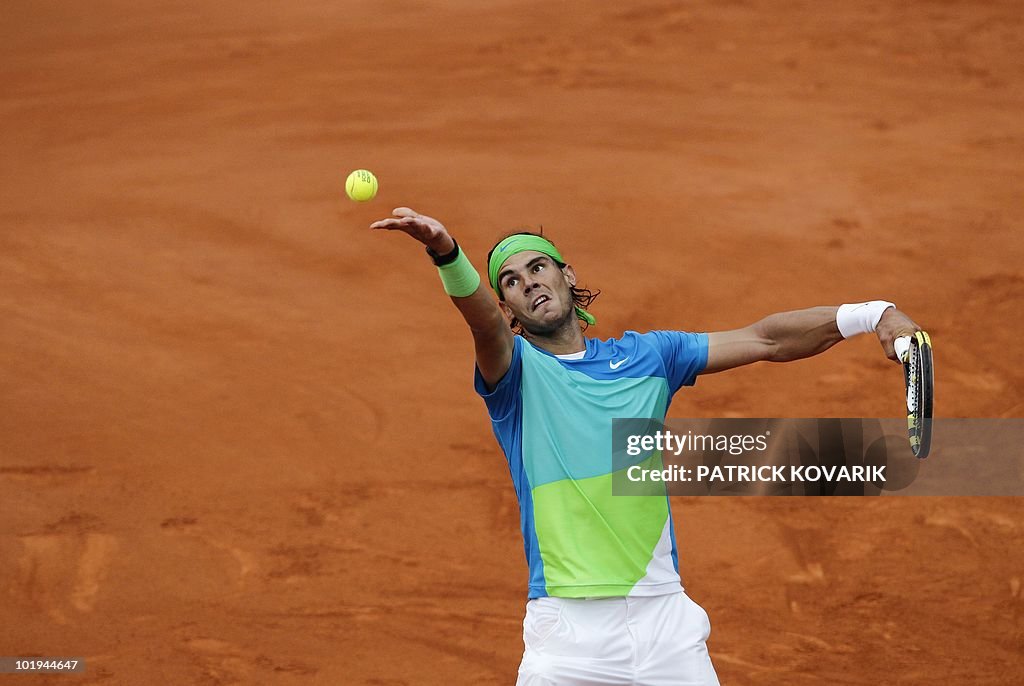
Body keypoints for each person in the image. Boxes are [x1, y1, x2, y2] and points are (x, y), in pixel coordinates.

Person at [370, 207, 922, 685]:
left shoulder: (650, 357)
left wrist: (871, 315)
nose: (529, 282)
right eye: (510, 281)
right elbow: (484, 327)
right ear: (509, 308)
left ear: (567, 274)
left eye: (538, 266)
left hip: (665, 622)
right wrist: (446, 252)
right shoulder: (515, 377)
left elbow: (766, 339)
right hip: (567, 632)